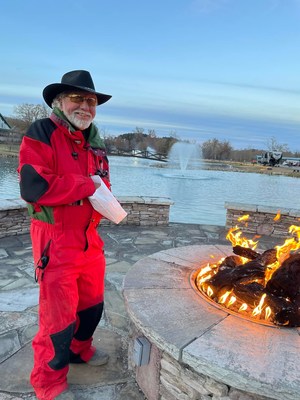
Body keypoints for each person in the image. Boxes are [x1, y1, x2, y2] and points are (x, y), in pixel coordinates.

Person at [18, 70, 112, 400]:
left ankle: (79, 350)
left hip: (90, 242)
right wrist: (87, 187)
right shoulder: (41, 131)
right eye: (78, 98)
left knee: (92, 308)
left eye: (91, 100)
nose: (86, 106)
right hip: (55, 242)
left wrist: (108, 201)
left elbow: (102, 186)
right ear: (60, 102)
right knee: (56, 322)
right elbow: (33, 187)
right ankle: (49, 384)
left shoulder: (96, 142)